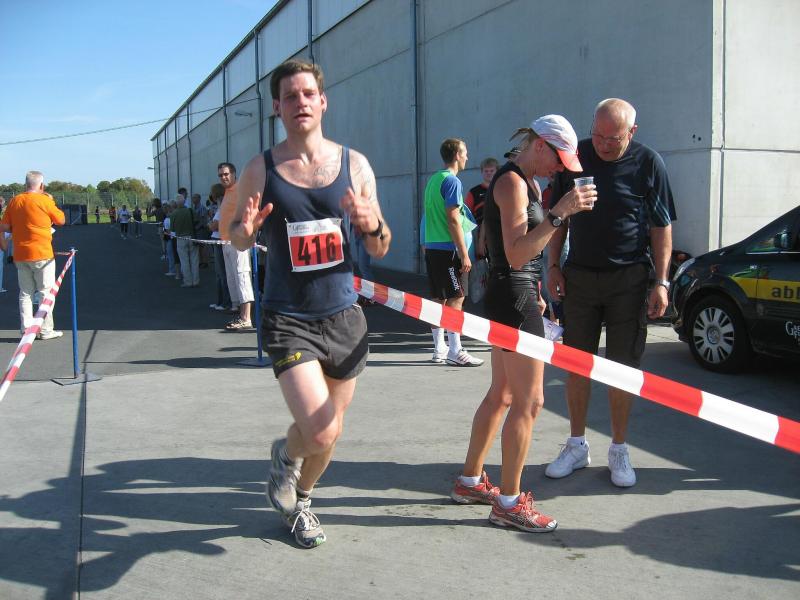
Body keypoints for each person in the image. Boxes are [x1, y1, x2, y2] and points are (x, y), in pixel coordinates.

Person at [228, 59, 391, 549]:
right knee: (318, 431)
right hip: (289, 318)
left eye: (307, 94)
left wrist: (370, 224)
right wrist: (246, 231)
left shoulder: (355, 165)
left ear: (323, 101)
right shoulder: (260, 168)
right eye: (289, 96)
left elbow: (382, 244)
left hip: (344, 317)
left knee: (331, 432)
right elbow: (236, 236)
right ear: (277, 108)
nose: (299, 102)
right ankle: (286, 454)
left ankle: (300, 501)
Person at [451, 116, 593, 533]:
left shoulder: (523, 181)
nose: (560, 169)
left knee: (503, 393)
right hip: (512, 296)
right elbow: (515, 254)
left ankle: (470, 481)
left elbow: (515, 254)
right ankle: (509, 503)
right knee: (529, 402)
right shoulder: (513, 183)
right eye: (558, 160)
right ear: (540, 145)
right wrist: (559, 213)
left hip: (515, 293)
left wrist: (536, 289)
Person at [545, 98, 676, 488]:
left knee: (622, 369)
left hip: (629, 280)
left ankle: (619, 448)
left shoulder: (648, 163)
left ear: (631, 133)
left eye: (613, 138)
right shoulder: (576, 158)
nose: (602, 144)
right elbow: (559, 217)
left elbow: (661, 226)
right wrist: (553, 266)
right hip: (580, 278)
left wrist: (662, 282)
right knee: (576, 364)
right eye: (597, 134)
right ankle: (576, 445)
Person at [423, 138, 482, 366]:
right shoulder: (452, 181)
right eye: (465, 152)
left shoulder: (433, 180)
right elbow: (453, 219)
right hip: (448, 250)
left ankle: (440, 348)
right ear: (457, 155)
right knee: (457, 297)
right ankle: (455, 350)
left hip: (433, 248)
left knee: (439, 299)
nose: (467, 156)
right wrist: (464, 253)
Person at [0, 171, 66, 339]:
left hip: (21, 254)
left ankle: (26, 329)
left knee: (25, 293)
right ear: (42, 185)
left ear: (26, 184)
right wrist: (51, 202)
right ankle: (45, 329)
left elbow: (5, 226)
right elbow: (61, 220)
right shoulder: (44, 200)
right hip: (42, 254)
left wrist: (20, 226)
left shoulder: (15, 201)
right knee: (45, 292)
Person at [217, 162, 255, 330]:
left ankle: (246, 317)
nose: (223, 177)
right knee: (232, 277)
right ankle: (240, 313)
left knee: (242, 275)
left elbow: (250, 211)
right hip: (226, 242)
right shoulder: (227, 192)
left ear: (233, 174)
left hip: (238, 241)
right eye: (220, 175)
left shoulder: (240, 189)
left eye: (226, 174)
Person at [208, 183, 231, 311]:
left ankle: (225, 302)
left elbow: (214, 225)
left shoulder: (223, 205)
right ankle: (221, 301)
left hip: (219, 240)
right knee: (220, 273)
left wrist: (210, 224)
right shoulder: (221, 205)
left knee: (222, 273)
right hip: (219, 239)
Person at [170, 196, 200, 287]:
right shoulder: (190, 211)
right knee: (194, 260)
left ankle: (188, 281)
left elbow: (172, 229)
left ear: (176, 203)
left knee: (184, 261)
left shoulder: (174, 214)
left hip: (180, 238)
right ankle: (196, 280)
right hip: (192, 237)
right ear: (184, 202)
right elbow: (197, 221)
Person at [465, 157, 498, 227]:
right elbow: (466, 215)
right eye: (486, 171)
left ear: (497, 172)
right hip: (479, 228)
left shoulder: (502, 189)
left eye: (492, 171)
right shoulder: (473, 192)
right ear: (482, 172)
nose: (489, 173)